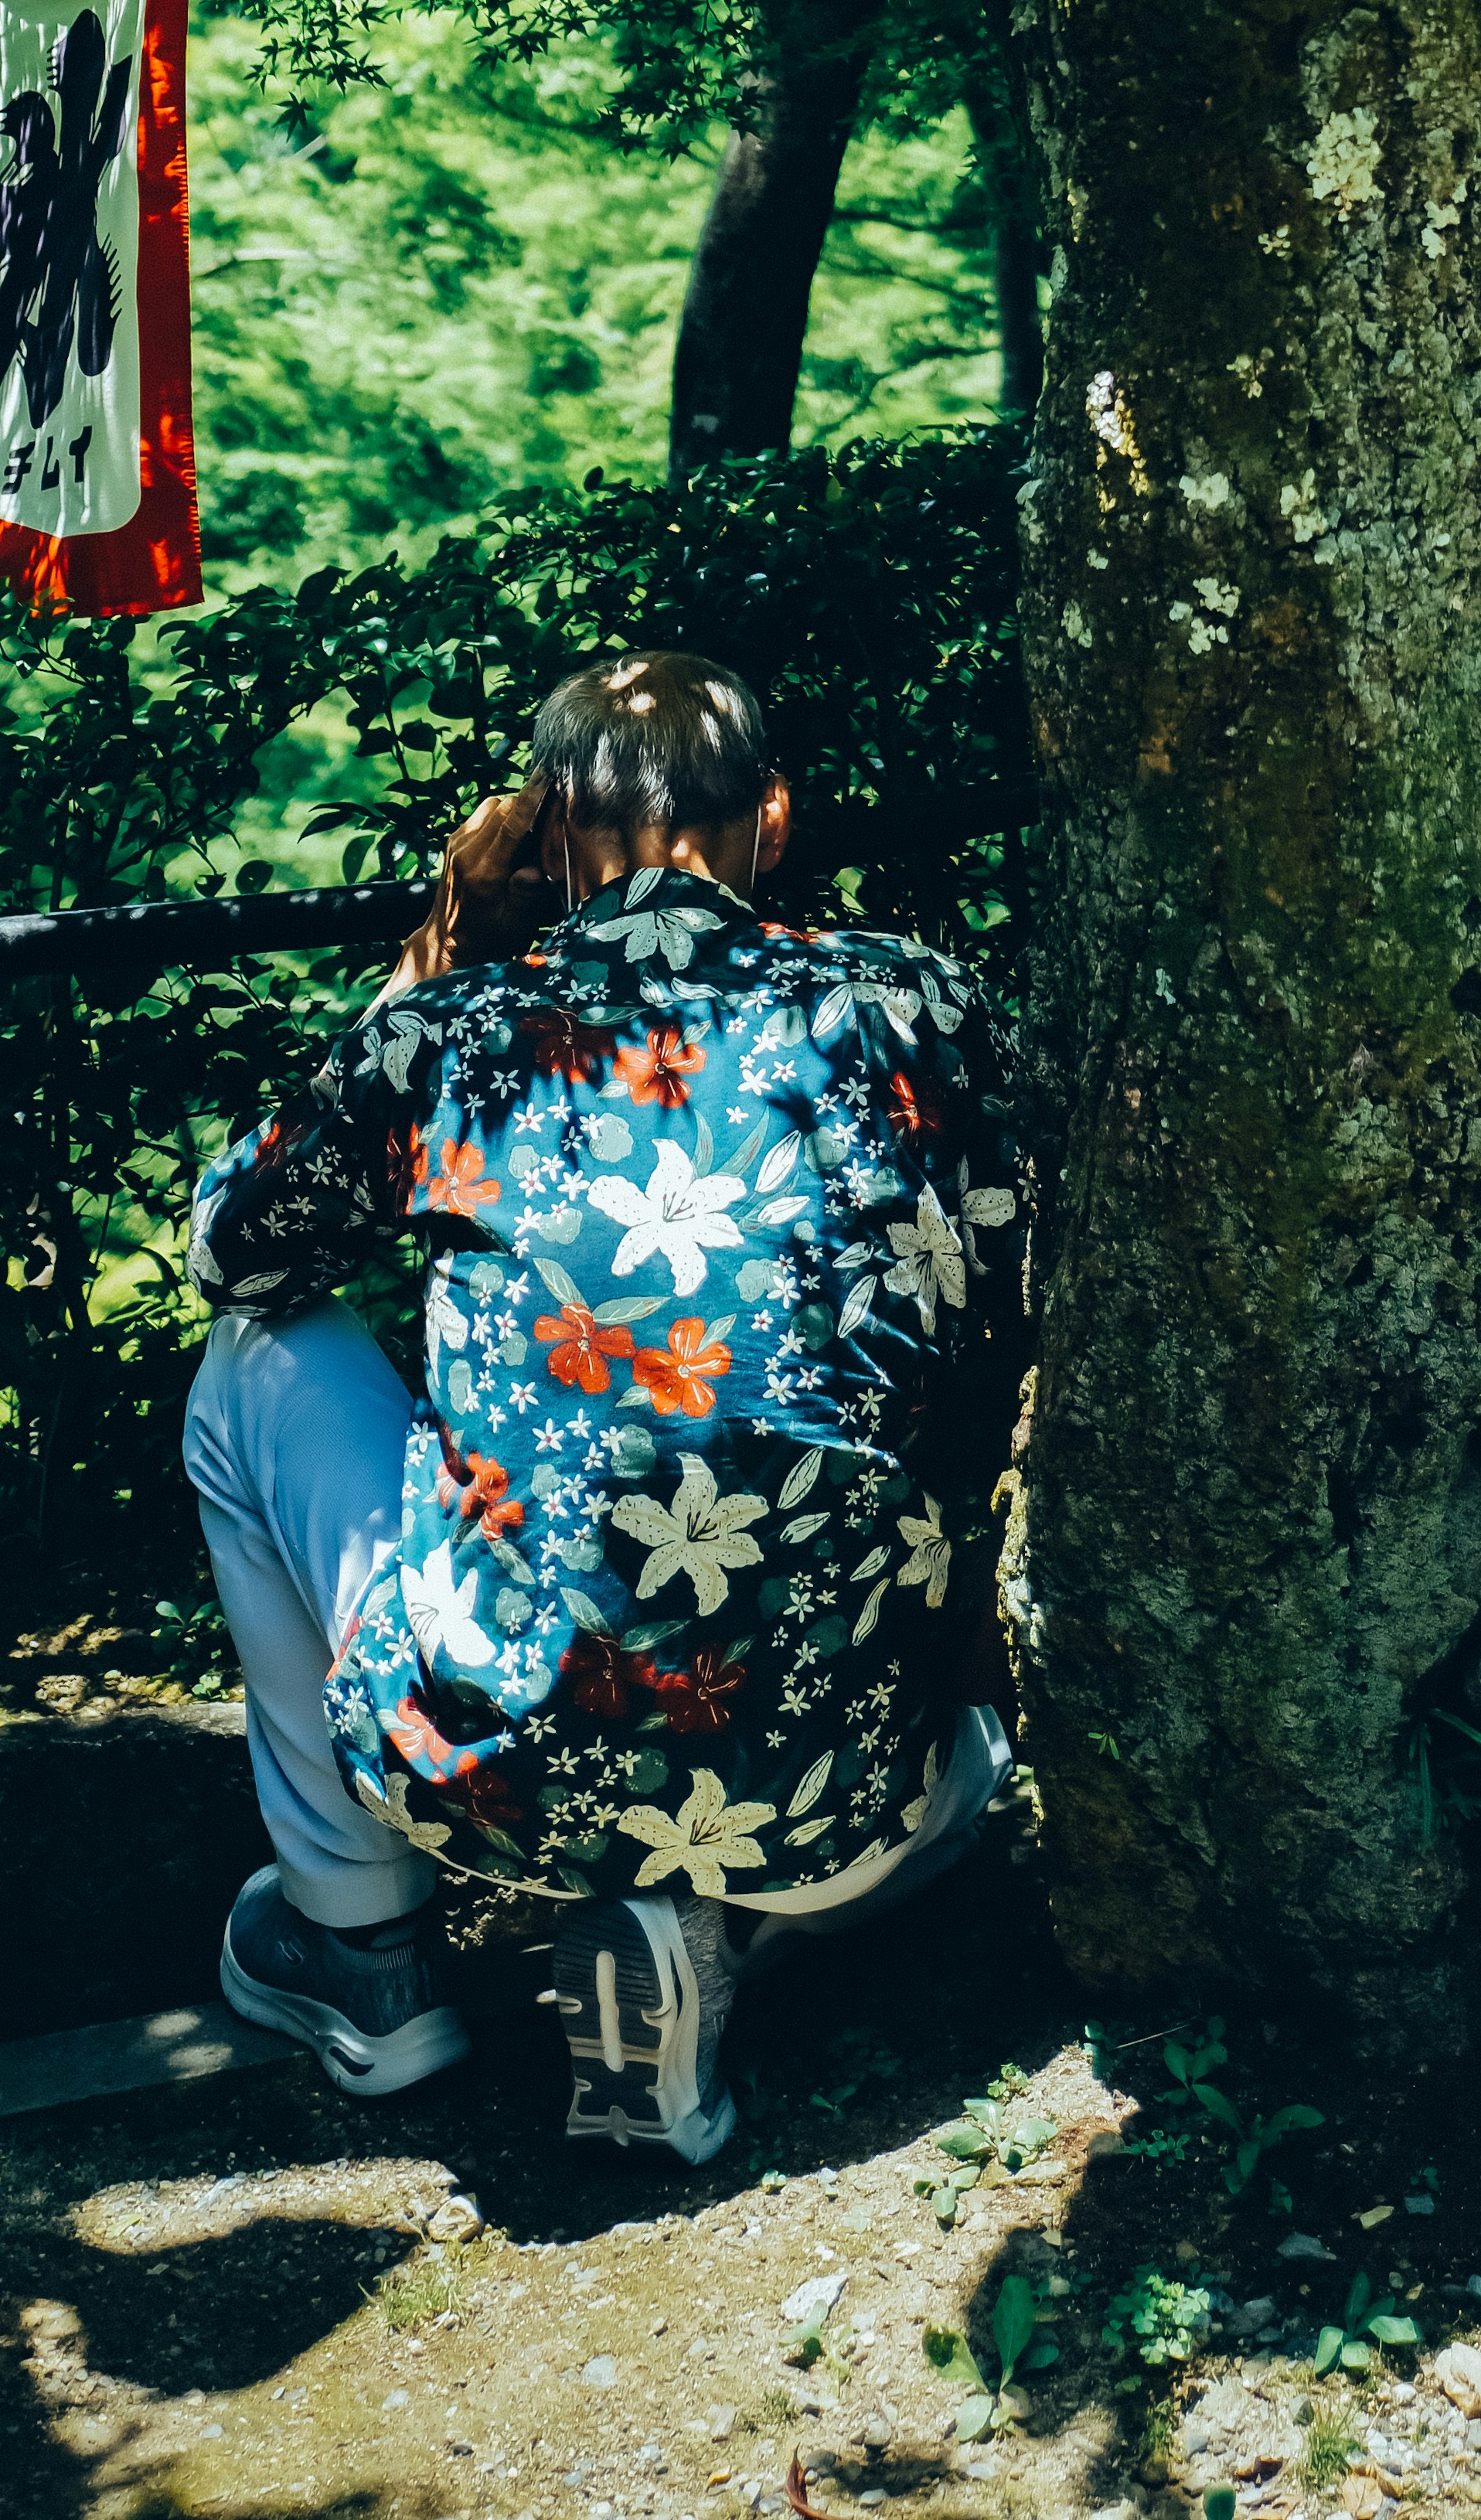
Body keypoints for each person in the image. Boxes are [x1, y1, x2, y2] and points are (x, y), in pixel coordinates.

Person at [180, 648, 1023, 2161]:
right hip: (848, 1802)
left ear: (552, 830)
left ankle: (365, 1951)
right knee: (955, 1760)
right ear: (771, 815)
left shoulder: (456, 1038)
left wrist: (424, 972)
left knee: (253, 1361)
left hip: (507, 1777)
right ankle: (711, 1917)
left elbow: (230, 1248)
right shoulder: (922, 1010)